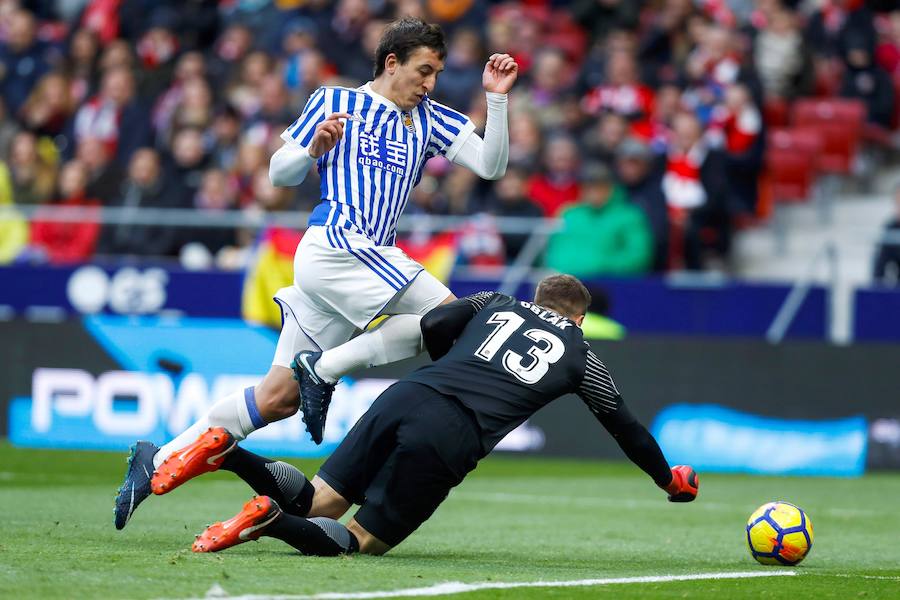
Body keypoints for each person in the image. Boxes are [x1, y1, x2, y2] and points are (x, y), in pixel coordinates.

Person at [113, 17, 517, 530]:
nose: (430, 83)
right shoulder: (335, 101)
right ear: (391, 62)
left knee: (277, 399)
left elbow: (491, 166)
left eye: (435, 73)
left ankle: (156, 458)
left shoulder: (431, 119)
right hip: (338, 245)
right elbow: (277, 173)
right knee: (449, 318)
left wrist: (497, 100)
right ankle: (323, 370)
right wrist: (310, 149)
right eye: (423, 71)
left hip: (360, 262)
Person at [144, 275, 699, 555]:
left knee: (322, 499)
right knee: (362, 538)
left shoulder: (496, 302)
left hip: (410, 394)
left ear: (538, 296)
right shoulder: (583, 357)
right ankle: (270, 521)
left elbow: (434, 324)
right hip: (453, 433)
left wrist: (450, 365)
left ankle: (231, 451)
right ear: (578, 317)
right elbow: (625, 427)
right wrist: (666, 479)